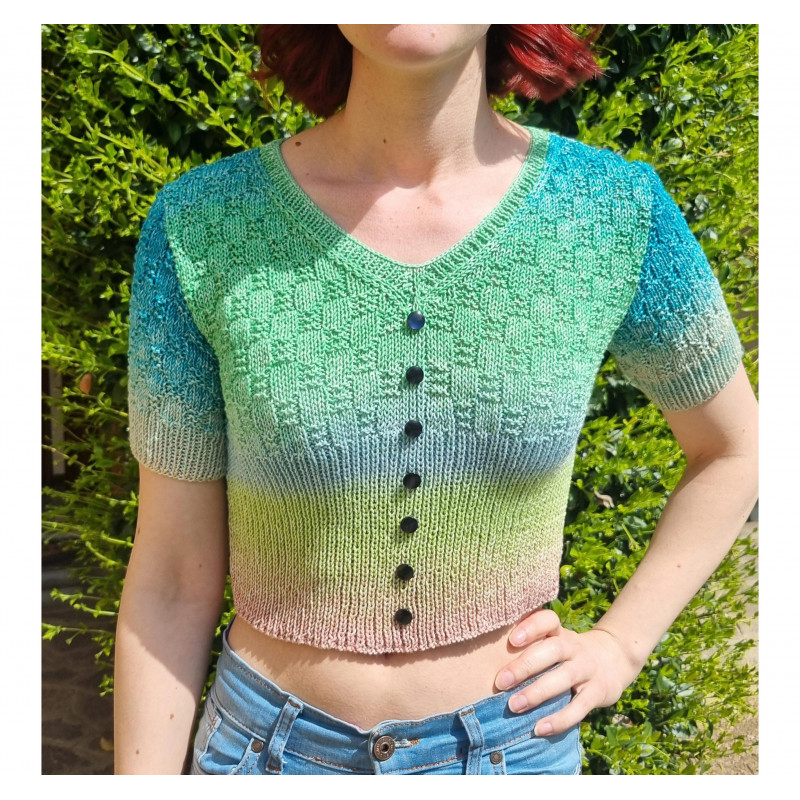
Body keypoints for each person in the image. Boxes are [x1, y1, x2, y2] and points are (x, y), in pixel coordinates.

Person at [114, 24, 759, 775]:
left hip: (514, 752)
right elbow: (171, 577)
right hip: (262, 756)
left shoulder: (611, 213)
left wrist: (621, 643)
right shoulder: (201, 225)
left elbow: (736, 448)